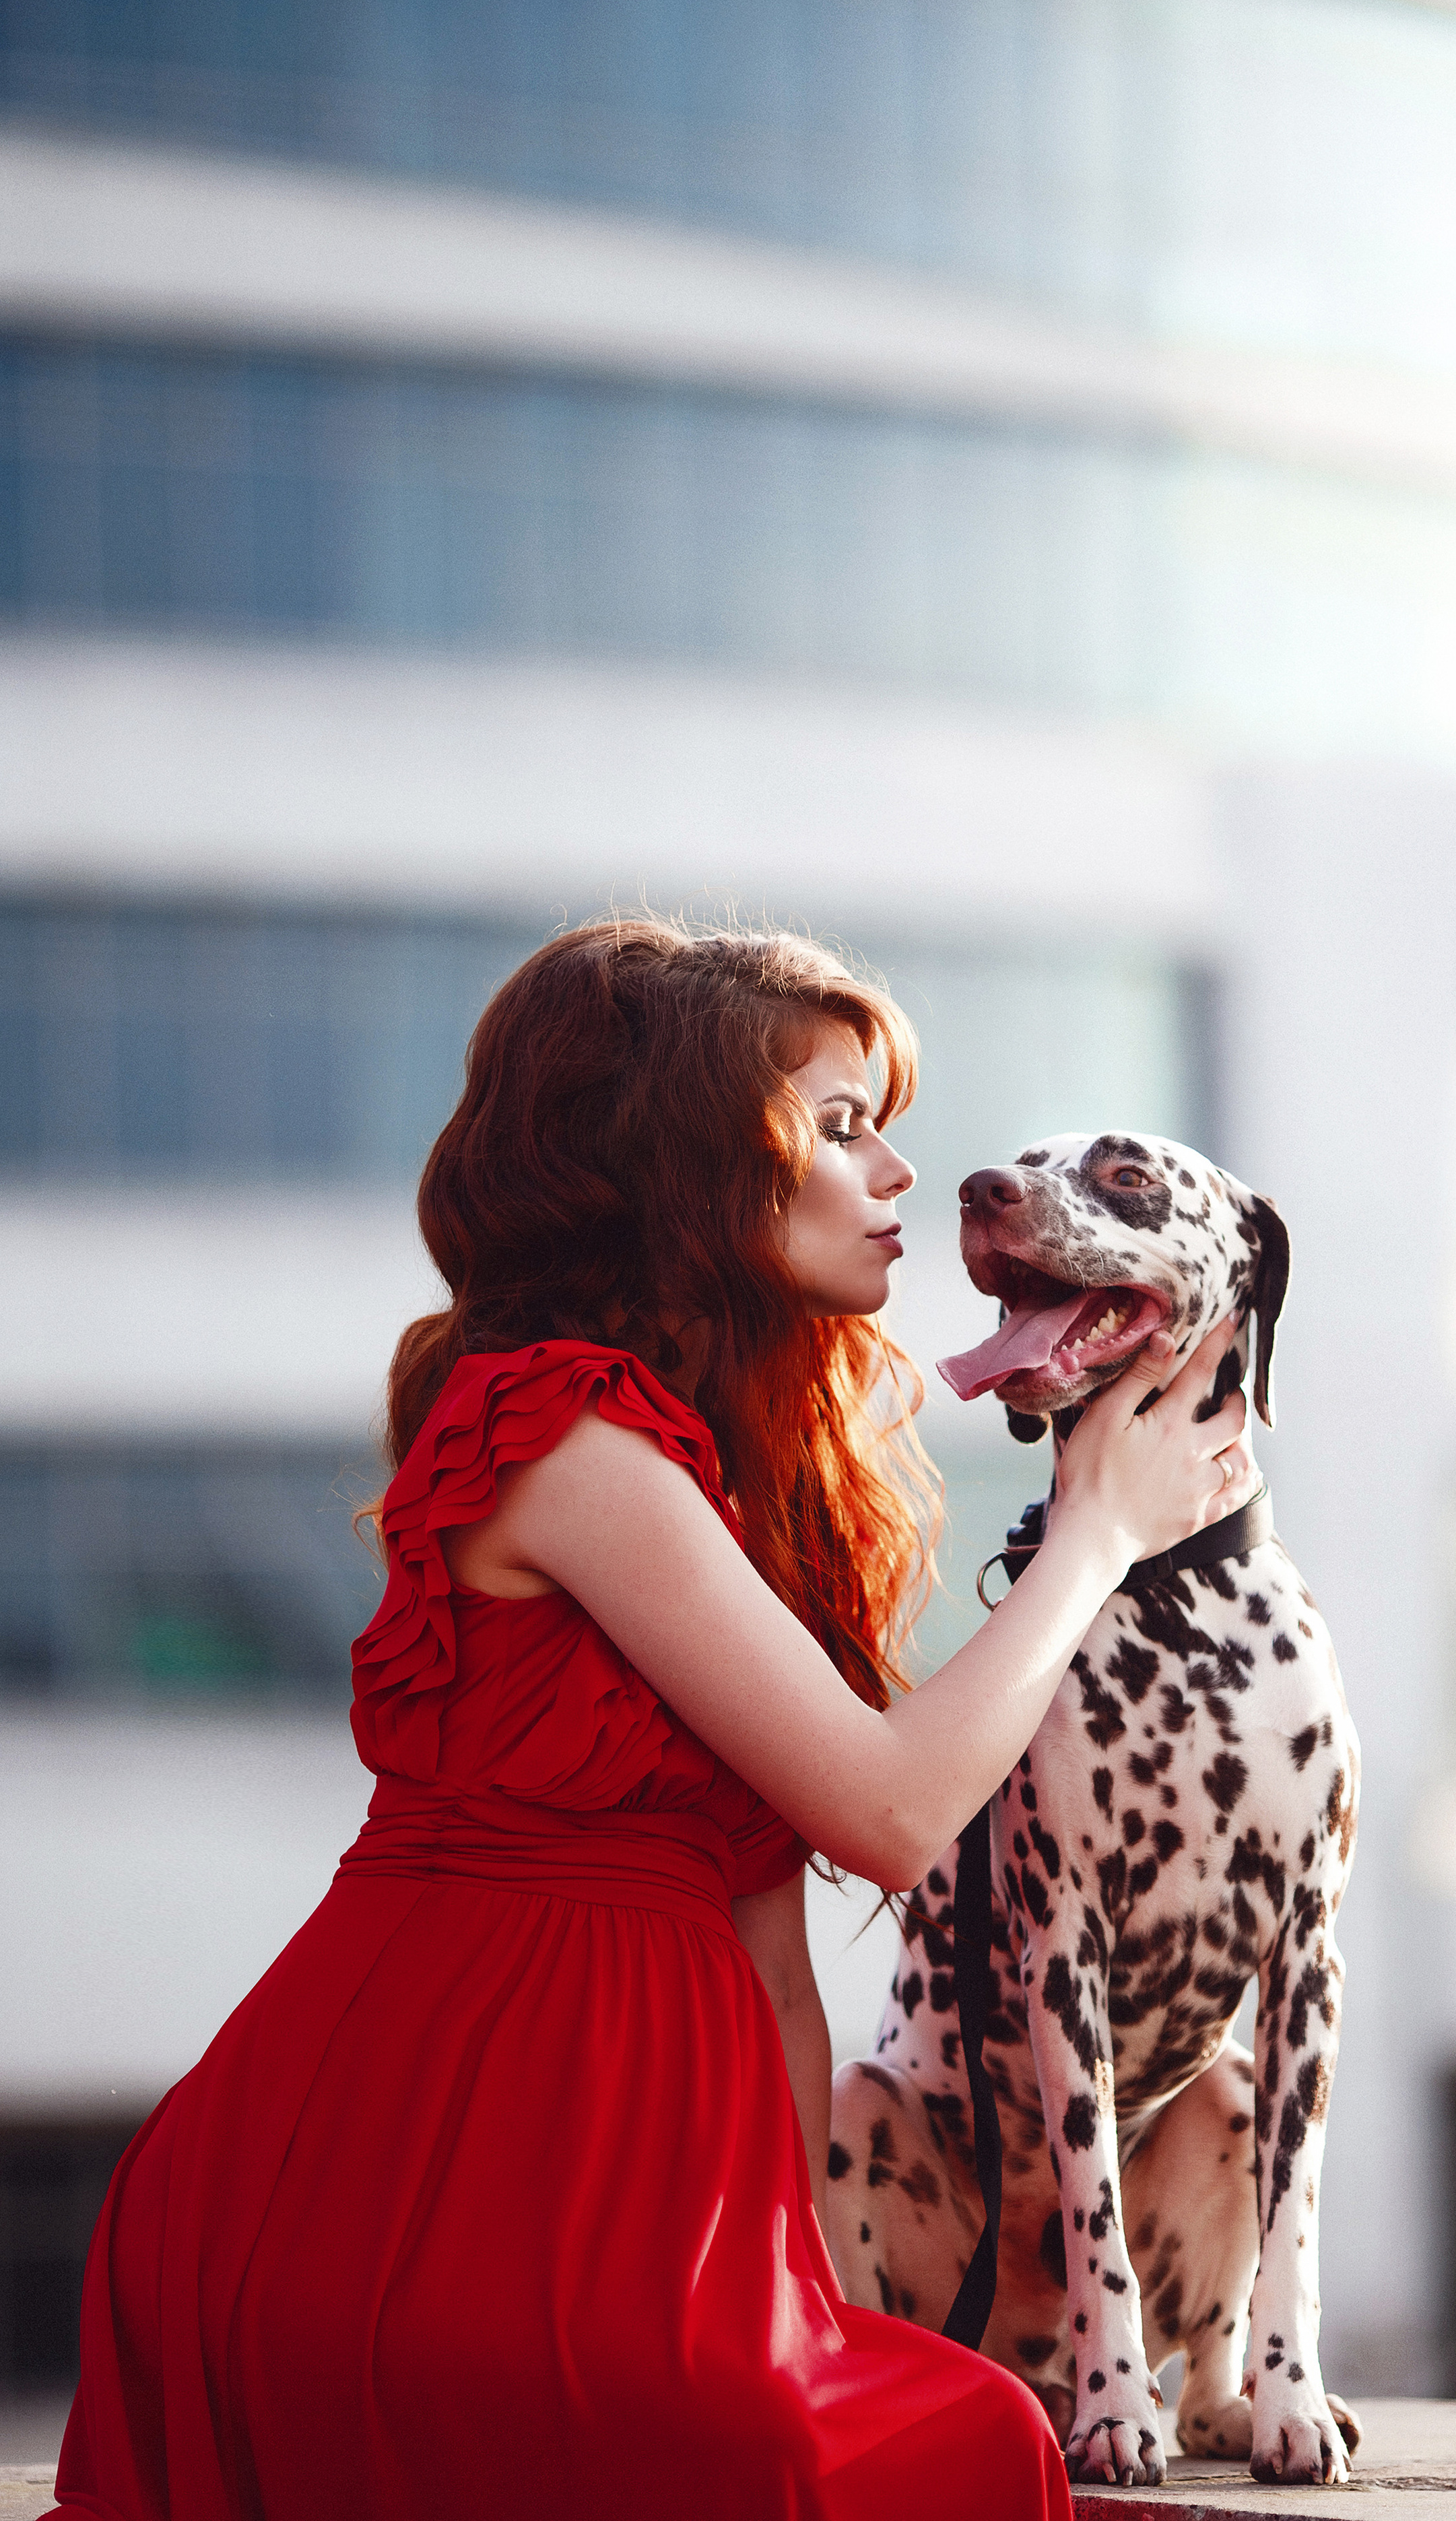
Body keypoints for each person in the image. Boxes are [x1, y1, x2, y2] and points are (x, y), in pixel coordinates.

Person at [51, 917, 1259, 2521]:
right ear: (687, 1166)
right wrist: (1100, 1532)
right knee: (935, 2454)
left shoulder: (720, 1481)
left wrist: (817, 2295)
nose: (899, 1173)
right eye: (836, 1127)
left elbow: (770, 1959)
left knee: (946, 2418)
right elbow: (890, 1815)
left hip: (618, 2193)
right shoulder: (562, 1432)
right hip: (413, 2181)